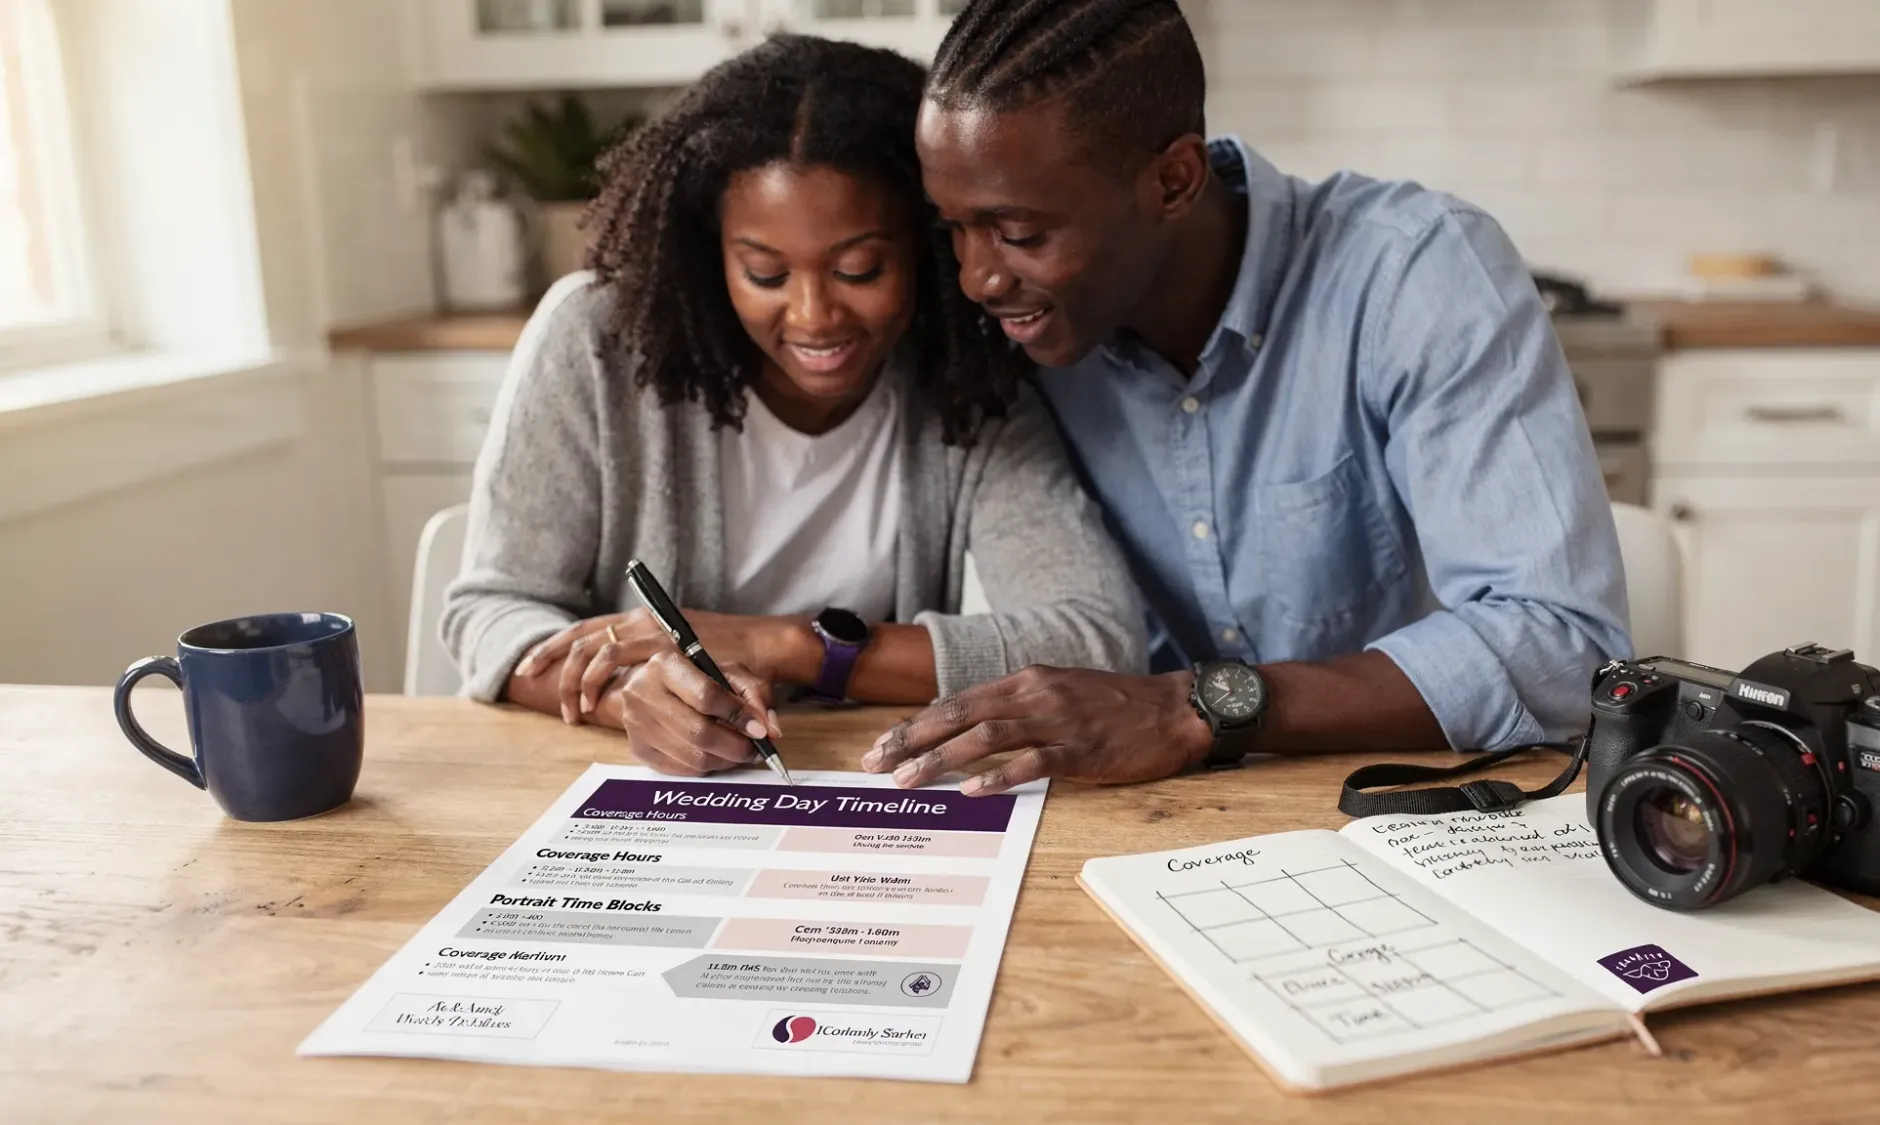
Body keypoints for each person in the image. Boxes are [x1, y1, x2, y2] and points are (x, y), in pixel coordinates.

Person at [864, 0, 1630, 798]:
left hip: (1404, 798)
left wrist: (1190, 708)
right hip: (1147, 809)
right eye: (952, 228)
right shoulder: (1019, 329)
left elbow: (1564, 645)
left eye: (1020, 234)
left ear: (1173, 179)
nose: (976, 277)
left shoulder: (1413, 273)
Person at [442, 34, 1146, 778]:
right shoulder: (598, 339)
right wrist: (635, 695)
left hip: (866, 783)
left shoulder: (964, 371)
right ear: (713, 252)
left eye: (858, 268)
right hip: (634, 792)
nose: (814, 316)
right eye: (765, 273)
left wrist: (791, 645)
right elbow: (491, 611)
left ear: (928, 243)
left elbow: (1096, 639)